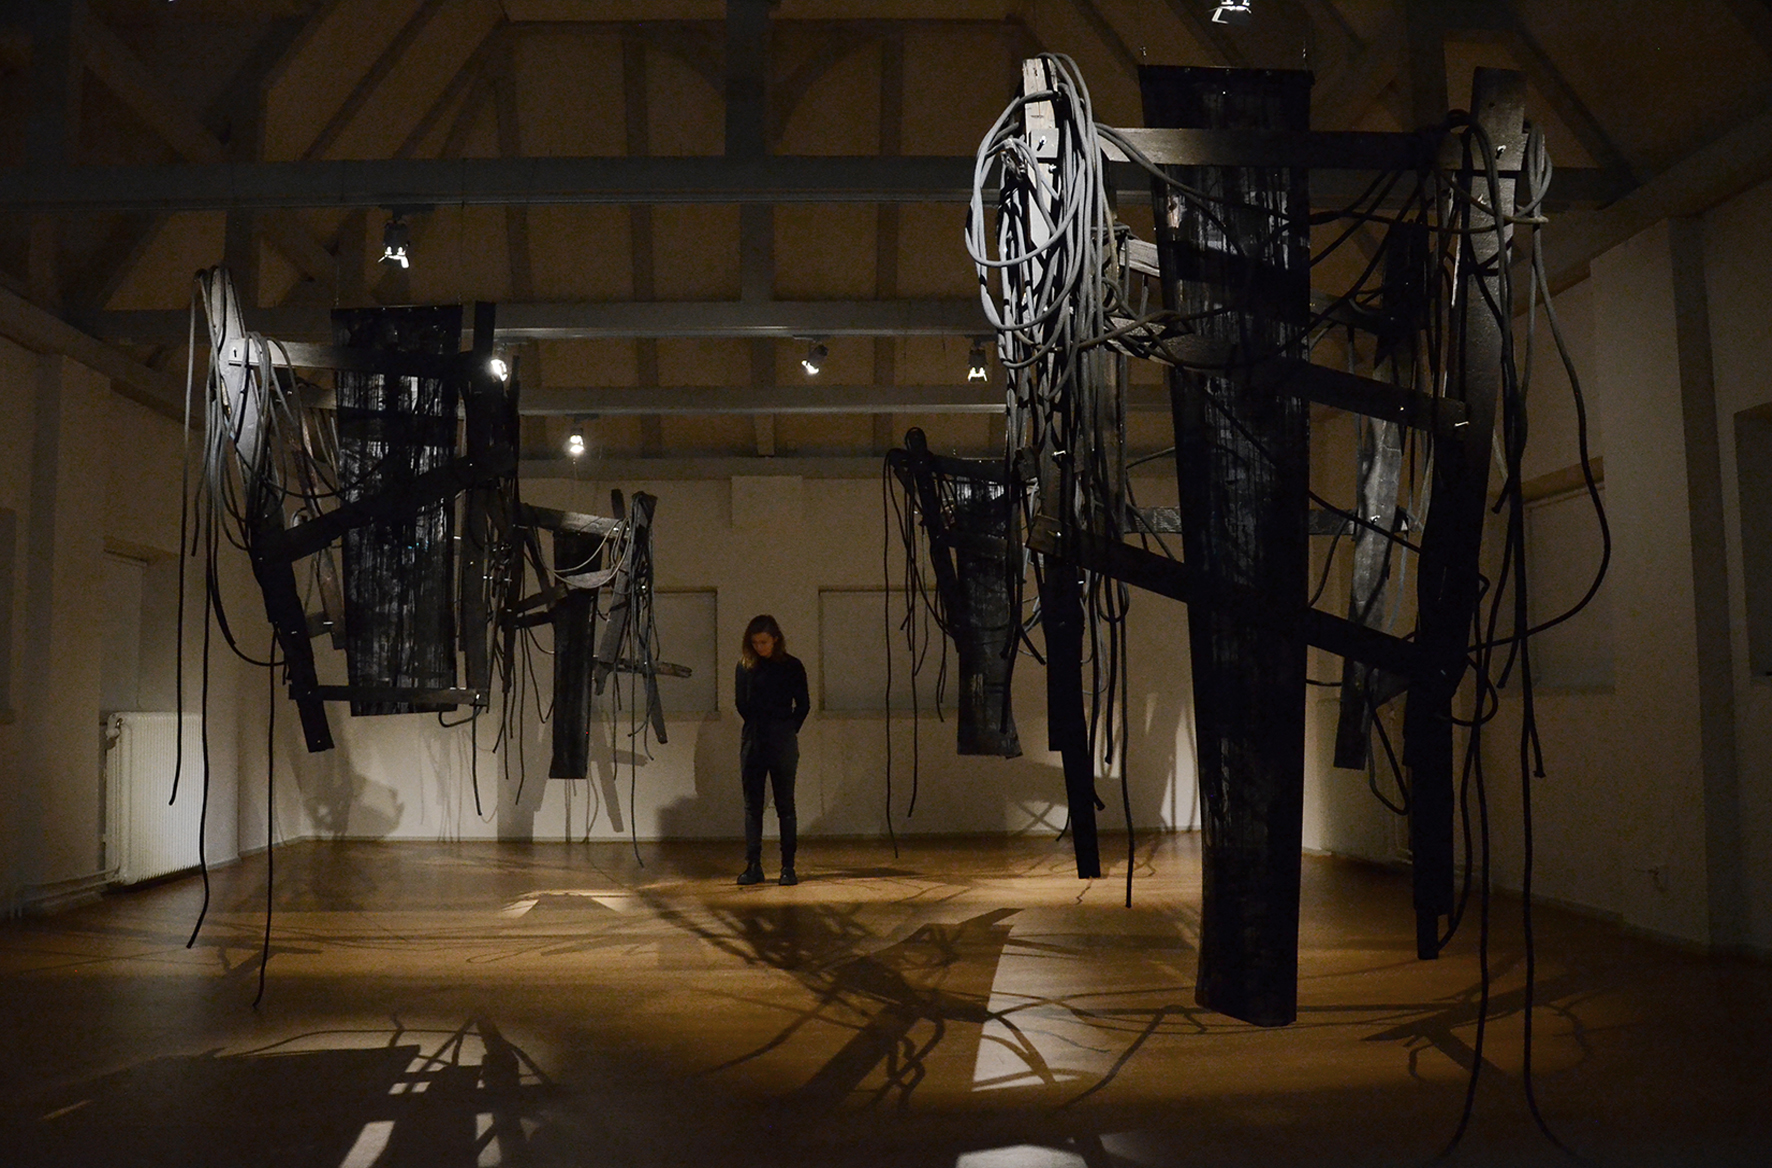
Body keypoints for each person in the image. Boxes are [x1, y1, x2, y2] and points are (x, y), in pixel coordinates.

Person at [734, 613, 808, 886]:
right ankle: (753, 865)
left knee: (785, 805)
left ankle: (788, 867)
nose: (759, 647)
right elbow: (741, 703)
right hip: (754, 739)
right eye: (755, 643)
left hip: (781, 740)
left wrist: (787, 729)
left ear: (775, 640)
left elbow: (803, 704)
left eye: (764, 642)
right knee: (752, 806)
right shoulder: (745, 666)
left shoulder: (792, 666)